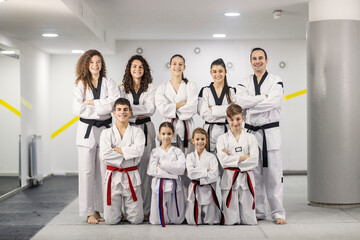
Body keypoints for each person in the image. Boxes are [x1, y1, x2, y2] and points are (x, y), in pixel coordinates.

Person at [235, 47, 286, 225]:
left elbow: (274, 101)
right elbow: (240, 101)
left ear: (266, 60)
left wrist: (251, 103)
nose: (258, 61)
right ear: (251, 62)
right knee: (254, 174)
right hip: (251, 133)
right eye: (254, 58)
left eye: (261, 58)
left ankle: (278, 212)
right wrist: (262, 98)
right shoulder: (244, 82)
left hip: (270, 133)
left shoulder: (276, 80)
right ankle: (258, 211)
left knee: (273, 174)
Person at [73, 49, 120, 224]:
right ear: (86, 64)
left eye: (98, 62)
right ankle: (88, 212)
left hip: (106, 130)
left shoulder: (109, 82)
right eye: (92, 62)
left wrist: (91, 102)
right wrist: (102, 105)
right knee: (86, 172)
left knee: (104, 172)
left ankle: (101, 210)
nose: (95, 65)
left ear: (102, 64)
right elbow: (77, 109)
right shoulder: (80, 84)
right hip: (86, 131)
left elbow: (114, 103)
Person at [119, 55, 156, 220]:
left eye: (141, 67)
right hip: (127, 130)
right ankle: (128, 211)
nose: (137, 70)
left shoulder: (151, 88)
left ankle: (146, 211)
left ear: (145, 70)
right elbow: (121, 108)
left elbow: (150, 109)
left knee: (146, 171)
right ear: (129, 68)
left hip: (146, 129)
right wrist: (136, 110)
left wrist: (129, 110)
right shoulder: (122, 89)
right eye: (134, 66)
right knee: (127, 170)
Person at [99, 98, 145, 224]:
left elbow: (139, 151)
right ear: (114, 112)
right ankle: (118, 214)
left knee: (137, 220)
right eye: (119, 109)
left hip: (131, 176)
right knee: (110, 220)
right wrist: (128, 153)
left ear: (130, 112)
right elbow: (105, 154)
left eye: (125, 109)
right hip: (113, 177)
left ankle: (128, 213)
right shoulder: (106, 133)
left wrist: (116, 149)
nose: (122, 112)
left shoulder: (137, 132)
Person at [216, 104, 258, 225]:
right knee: (230, 220)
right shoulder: (222, 139)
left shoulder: (251, 138)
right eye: (232, 119)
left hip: (246, 178)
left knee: (249, 219)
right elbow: (223, 161)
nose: (235, 123)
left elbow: (254, 160)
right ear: (227, 120)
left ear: (243, 118)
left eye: (238, 119)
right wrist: (245, 157)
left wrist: (232, 158)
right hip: (229, 177)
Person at [155, 54, 198, 157]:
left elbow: (192, 108)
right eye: (174, 64)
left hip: (186, 128)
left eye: (180, 64)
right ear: (170, 66)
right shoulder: (162, 87)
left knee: (187, 162)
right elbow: (162, 110)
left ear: (184, 67)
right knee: (167, 161)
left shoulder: (190, 86)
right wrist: (181, 104)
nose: (177, 67)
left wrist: (171, 108)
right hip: (167, 128)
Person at [147, 122, 186, 227]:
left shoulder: (177, 151)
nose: (166, 137)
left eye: (169, 133)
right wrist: (173, 172)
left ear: (173, 134)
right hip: (159, 185)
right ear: (159, 135)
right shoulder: (155, 151)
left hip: (174, 185)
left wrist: (162, 165)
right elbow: (151, 170)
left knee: (177, 219)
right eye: (163, 134)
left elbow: (181, 169)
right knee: (157, 220)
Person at [185, 128, 223, 225]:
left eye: (202, 139)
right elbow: (190, 173)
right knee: (193, 220)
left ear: (206, 140)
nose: (200, 142)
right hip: (195, 190)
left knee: (211, 220)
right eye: (197, 139)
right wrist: (206, 170)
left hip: (208, 190)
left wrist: (198, 175)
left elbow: (214, 175)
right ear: (193, 141)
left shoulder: (211, 157)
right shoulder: (190, 157)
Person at [198, 58, 236, 152]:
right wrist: (226, 110)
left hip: (227, 131)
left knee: (227, 163)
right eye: (214, 71)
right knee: (210, 163)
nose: (217, 74)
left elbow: (234, 113)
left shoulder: (232, 91)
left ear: (225, 72)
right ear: (211, 72)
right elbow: (204, 114)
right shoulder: (204, 91)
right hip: (209, 133)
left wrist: (212, 109)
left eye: (220, 71)